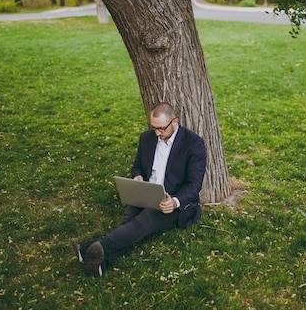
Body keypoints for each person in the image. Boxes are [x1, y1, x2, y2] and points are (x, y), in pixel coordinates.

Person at [73, 102, 207, 277]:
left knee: (142, 222)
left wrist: (174, 202)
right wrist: (137, 177)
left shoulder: (194, 144)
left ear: (175, 122)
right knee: (129, 222)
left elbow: (195, 184)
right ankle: (101, 263)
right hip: (146, 193)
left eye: (161, 129)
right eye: (154, 128)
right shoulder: (147, 138)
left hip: (172, 202)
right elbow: (137, 167)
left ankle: (93, 248)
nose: (158, 134)